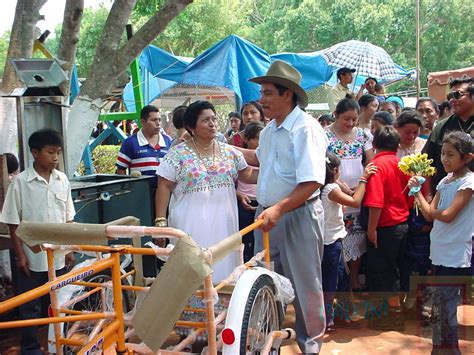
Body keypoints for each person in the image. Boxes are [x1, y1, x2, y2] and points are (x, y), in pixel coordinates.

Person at [240, 60, 328, 353]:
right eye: (262, 93)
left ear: (287, 94)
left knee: (305, 286)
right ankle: (269, 343)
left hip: (296, 216)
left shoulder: (305, 129)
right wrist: (220, 147)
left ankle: (310, 345)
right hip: (266, 217)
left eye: (267, 93)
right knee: (264, 283)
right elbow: (260, 161)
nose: (261, 100)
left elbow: (312, 181)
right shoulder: (269, 131)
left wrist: (279, 209)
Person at [155, 100, 255, 282]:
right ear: (191, 126)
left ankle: (221, 307)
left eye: (214, 119)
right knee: (191, 270)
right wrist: (160, 221)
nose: (212, 124)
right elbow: (164, 185)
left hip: (224, 222)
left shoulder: (229, 151)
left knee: (223, 267)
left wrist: (277, 176)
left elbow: (246, 173)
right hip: (190, 224)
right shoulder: (178, 154)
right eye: (206, 120)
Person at [0, 129, 76, 354]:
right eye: (50, 152)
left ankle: (61, 344)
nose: (55, 158)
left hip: (59, 255)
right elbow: (14, 222)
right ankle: (31, 348)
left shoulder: (62, 180)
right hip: (32, 257)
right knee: (29, 305)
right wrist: (20, 255)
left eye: (58, 153)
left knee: (60, 302)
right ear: (35, 153)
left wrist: (70, 249)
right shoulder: (21, 183)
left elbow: (68, 217)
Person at [408, 131, 473, 353]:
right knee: (439, 306)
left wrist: (430, 207)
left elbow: (447, 215)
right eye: (443, 153)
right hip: (439, 251)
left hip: (455, 255)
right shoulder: (446, 180)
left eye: (451, 154)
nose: (445, 159)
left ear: (467, 157)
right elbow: (429, 214)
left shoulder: (469, 183)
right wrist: (417, 191)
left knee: (446, 307)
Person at [321, 152, 377, 333]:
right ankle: (329, 319)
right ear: (336, 170)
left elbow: (347, 191)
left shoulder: (324, 185)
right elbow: (355, 201)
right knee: (333, 280)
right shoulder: (330, 190)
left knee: (339, 279)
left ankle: (338, 316)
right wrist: (364, 178)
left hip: (327, 240)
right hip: (330, 242)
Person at [363, 126, 410, 331]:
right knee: (395, 269)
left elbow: (375, 202)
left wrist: (371, 229)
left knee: (382, 272)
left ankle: (390, 316)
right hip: (402, 223)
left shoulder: (376, 166)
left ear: (374, 145)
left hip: (384, 226)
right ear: (397, 145)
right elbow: (410, 195)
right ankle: (395, 313)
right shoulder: (402, 164)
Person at [326, 97, 374, 292]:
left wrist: (363, 181)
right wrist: (340, 185)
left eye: (354, 119)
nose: (351, 124)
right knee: (339, 239)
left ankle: (353, 279)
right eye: (346, 119)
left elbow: (370, 162)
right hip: (336, 192)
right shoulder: (324, 135)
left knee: (357, 238)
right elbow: (323, 165)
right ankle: (340, 283)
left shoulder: (363, 135)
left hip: (359, 193)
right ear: (336, 115)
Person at [422, 77, 474, 196]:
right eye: (450, 96)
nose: (452, 100)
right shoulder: (442, 127)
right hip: (445, 197)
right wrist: (429, 196)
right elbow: (426, 164)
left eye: (457, 94)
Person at [116, 105, 172, 185]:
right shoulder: (130, 143)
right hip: (140, 193)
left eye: (159, 120)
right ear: (143, 122)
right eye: (153, 120)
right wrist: (126, 188)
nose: (158, 124)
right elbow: (121, 169)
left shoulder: (168, 141)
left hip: (164, 193)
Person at [236, 122, 264, 262]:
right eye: (257, 138)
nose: (260, 143)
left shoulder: (266, 160)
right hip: (244, 205)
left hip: (260, 205)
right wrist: (238, 194)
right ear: (247, 139)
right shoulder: (238, 158)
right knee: (245, 242)